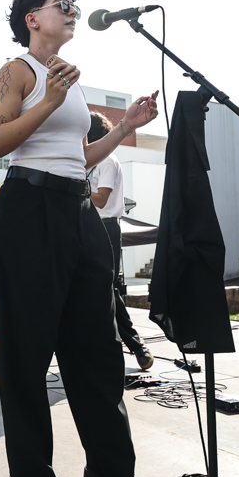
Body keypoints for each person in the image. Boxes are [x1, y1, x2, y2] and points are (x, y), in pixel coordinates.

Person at [0, 0, 159, 477]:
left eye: (74, 6)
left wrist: (125, 127)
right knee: (28, 351)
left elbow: (78, 156)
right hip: (28, 209)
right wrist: (49, 101)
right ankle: (33, 476)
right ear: (32, 18)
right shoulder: (18, 72)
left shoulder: (69, 83)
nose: (73, 12)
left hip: (78, 211)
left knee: (97, 348)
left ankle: (109, 469)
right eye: (63, 5)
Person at [88, 114, 153, 370]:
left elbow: (101, 199)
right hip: (87, 227)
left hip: (105, 229)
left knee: (107, 290)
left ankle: (136, 345)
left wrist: (73, 186)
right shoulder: (88, 161)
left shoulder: (107, 160)